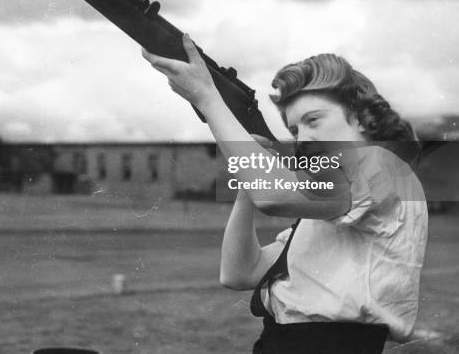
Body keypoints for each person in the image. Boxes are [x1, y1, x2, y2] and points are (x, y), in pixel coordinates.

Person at [142, 35, 428, 354]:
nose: (302, 139)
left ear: (362, 118)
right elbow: (239, 272)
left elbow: (273, 197)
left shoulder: (380, 165)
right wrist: (250, 181)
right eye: (294, 130)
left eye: (314, 121)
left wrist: (207, 98)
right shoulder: (336, 201)